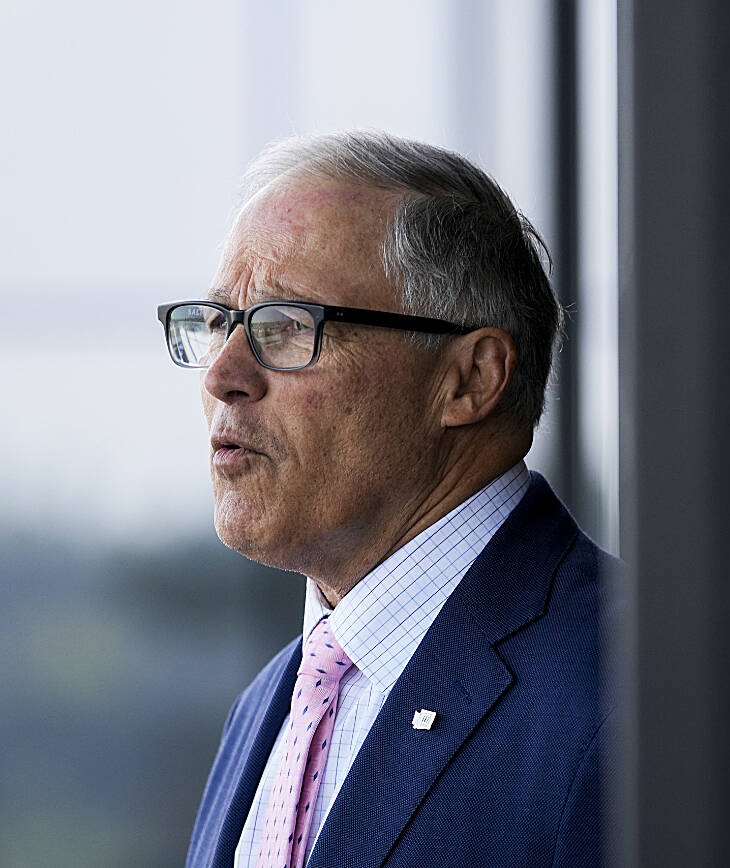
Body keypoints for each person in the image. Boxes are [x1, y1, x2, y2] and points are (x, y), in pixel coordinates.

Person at [160, 130, 613, 868]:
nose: (223, 375)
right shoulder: (270, 703)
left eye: (286, 327)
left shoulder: (626, 692)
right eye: (217, 323)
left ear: (469, 379)